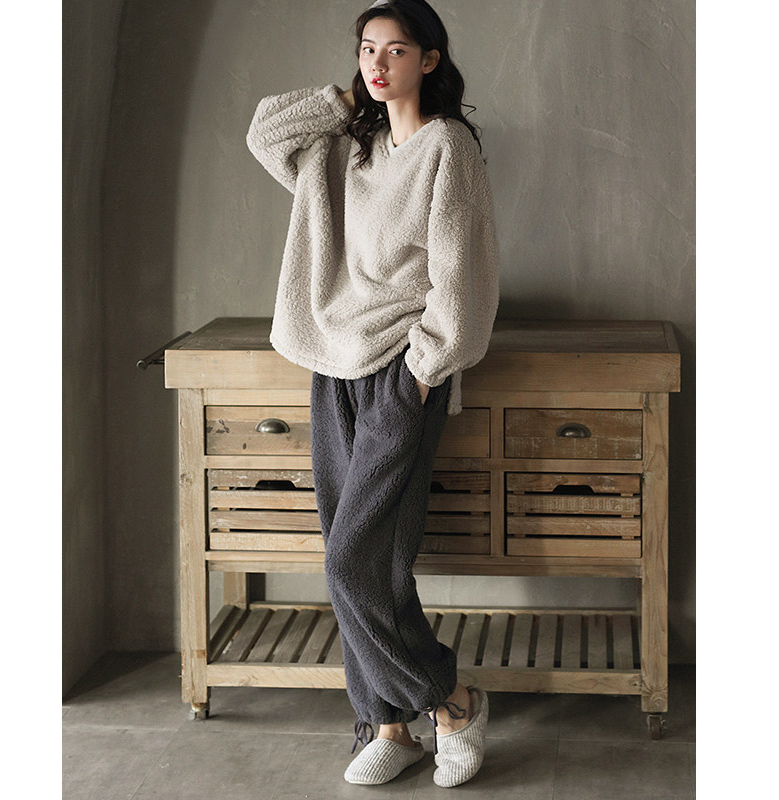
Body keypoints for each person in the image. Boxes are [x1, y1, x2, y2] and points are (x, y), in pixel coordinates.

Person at [247, 0, 499, 787]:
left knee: (352, 559)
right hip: (333, 365)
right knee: (373, 562)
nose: (378, 63)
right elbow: (264, 135)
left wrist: (425, 370)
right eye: (366, 49)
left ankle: (452, 703)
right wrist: (344, 100)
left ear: (430, 59)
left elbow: (461, 272)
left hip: (402, 368)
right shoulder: (341, 147)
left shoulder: (447, 147)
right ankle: (388, 723)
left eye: (395, 50)